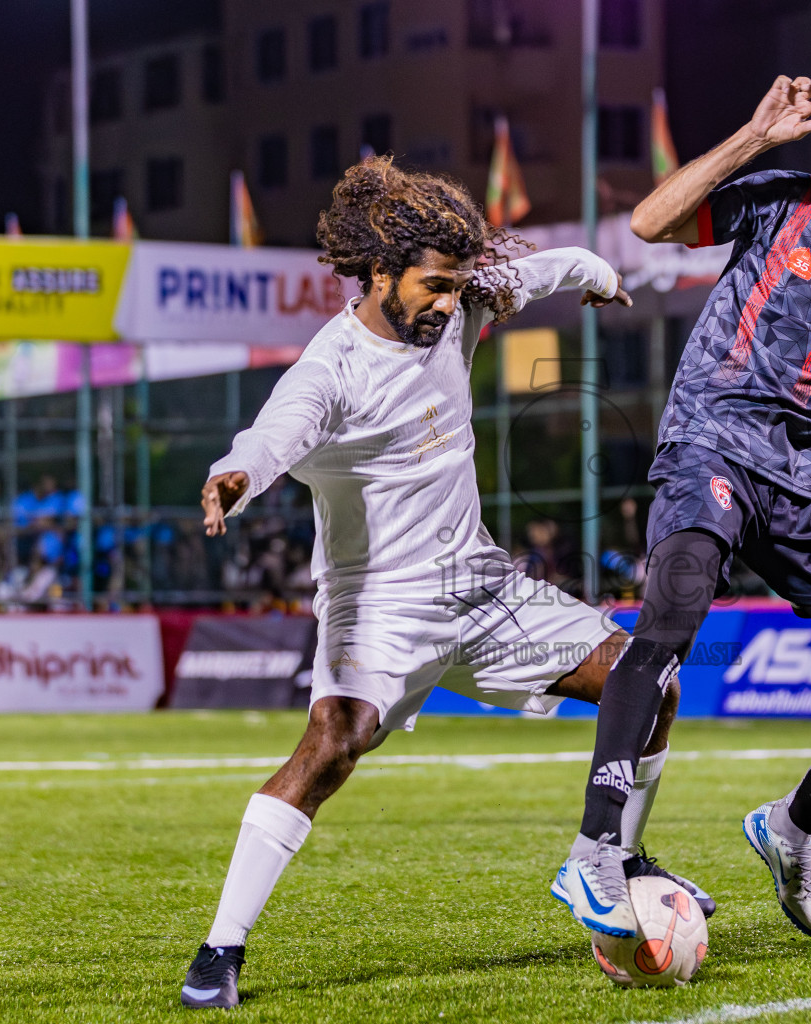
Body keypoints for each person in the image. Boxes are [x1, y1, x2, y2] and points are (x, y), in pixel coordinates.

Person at [179, 158, 709, 1010]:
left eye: (455, 286)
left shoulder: (460, 306)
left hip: (481, 583)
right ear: (379, 274)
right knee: (331, 747)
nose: (444, 302)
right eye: (431, 285)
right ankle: (218, 952)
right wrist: (236, 475)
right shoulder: (332, 369)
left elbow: (543, 269)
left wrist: (598, 273)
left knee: (648, 682)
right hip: (378, 602)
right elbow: (275, 431)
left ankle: (613, 858)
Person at [553, 79, 811, 939]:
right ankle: (595, 852)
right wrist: (754, 135)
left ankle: (789, 827)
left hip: (806, 493)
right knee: (667, 625)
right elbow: (648, 223)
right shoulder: (785, 207)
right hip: (710, 446)